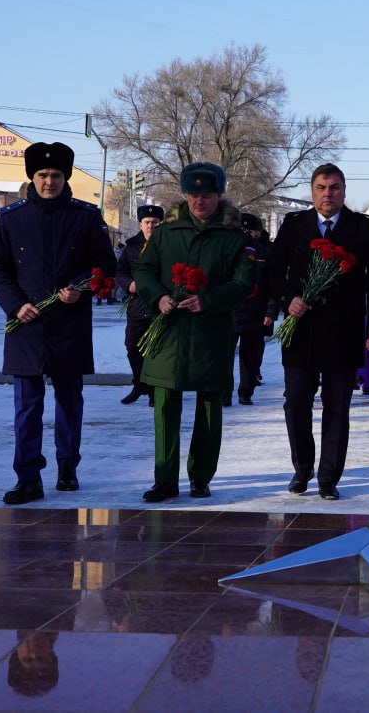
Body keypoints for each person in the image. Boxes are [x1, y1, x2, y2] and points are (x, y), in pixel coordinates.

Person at [0, 142, 117, 505]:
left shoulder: (86, 217)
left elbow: (106, 267)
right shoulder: (12, 219)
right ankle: (27, 476)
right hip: (27, 326)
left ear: (65, 177)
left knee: (69, 402)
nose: (48, 182)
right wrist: (16, 306)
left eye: (55, 175)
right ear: (32, 177)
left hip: (70, 326)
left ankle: (67, 467)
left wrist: (81, 289)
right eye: (42, 175)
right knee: (27, 405)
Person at [265, 163, 369, 500]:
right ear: (312, 191)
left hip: (343, 330)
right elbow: (273, 272)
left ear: (344, 191)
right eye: (321, 187)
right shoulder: (295, 225)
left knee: (337, 407)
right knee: (297, 404)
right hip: (301, 330)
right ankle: (302, 469)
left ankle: (328, 477)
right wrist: (287, 299)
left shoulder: (361, 228)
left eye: (334, 187)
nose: (327, 194)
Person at [132, 162, 254, 502]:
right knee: (165, 405)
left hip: (210, 333)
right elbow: (144, 270)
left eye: (207, 195)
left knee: (210, 407)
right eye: (193, 195)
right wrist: (158, 298)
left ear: (219, 195)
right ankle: (165, 479)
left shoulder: (235, 237)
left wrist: (210, 300)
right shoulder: (166, 233)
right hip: (168, 332)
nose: (200, 202)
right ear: (185, 196)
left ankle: (200, 477)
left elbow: (244, 283)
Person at [115, 204, 164, 406]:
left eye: (154, 222)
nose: (150, 225)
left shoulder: (166, 244)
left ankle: (154, 389)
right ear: (140, 224)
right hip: (137, 305)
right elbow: (120, 272)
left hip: (159, 307)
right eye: (147, 222)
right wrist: (129, 285)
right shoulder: (132, 247)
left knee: (155, 349)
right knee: (132, 346)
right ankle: (139, 385)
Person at [230, 212, 273, 406]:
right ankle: (223, 392)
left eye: (250, 230)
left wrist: (271, 312)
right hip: (230, 310)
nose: (246, 233)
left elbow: (274, 286)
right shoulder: (227, 251)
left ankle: (246, 392)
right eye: (242, 229)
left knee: (251, 357)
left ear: (257, 232)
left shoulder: (264, 253)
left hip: (256, 311)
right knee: (224, 355)